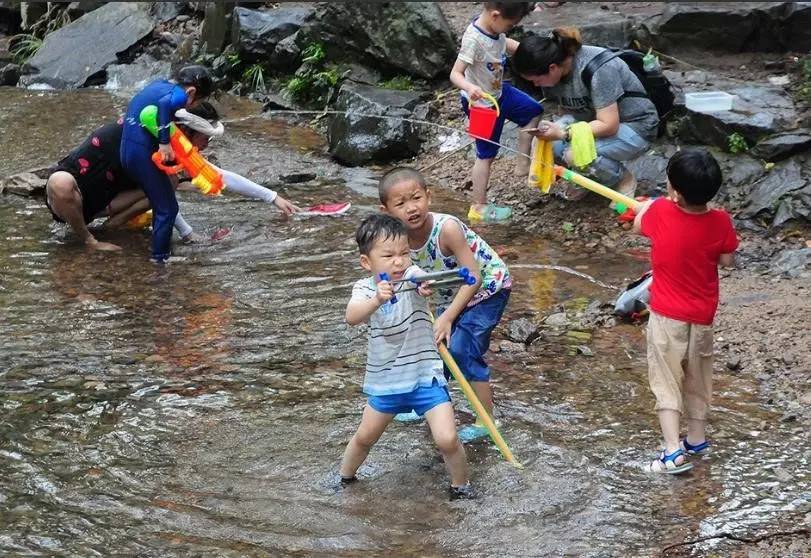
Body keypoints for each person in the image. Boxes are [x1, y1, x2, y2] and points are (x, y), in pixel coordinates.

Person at [340, 214, 472, 499]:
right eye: (388, 255)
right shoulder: (364, 289)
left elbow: (424, 281)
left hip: (426, 378)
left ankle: (461, 487)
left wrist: (426, 286)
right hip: (387, 383)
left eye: (404, 253)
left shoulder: (412, 276)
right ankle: (344, 479)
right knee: (365, 438)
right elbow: (351, 317)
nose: (398, 261)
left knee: (448, 439)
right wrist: (377, 299)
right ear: (367, 262)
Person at [45, 103, 300, 249]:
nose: (207, 145)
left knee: (169, 180)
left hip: (109, 202)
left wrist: (273, 197)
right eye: (205, 138)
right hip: (71, 199)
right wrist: (188, 233)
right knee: (60, 182)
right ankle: (89, 240)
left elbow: (217, 176)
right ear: (188, 130)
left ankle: (110, 229)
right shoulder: (150, 140)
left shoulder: (175, 148)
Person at [380, 167, 511, 443]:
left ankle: (486, 419)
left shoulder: (447, 229)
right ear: (387, 210)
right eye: (400, 204)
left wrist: (448, 317)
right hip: (448, 295)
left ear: (429, 196)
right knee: (432, 350)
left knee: (463, 349)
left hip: (487, 289)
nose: (411, 208)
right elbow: (406, 273)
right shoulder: (397, 240)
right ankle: (429, 404)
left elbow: (474, 277)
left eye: (416, 198)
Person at [632, 149, 738, 474]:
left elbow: (638, 226)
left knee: (665, 381)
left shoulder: (661, 211)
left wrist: (647, 206)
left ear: (674, 190)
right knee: (697, 377)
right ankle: (696, 439)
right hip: (702, 318)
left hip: (666, 316)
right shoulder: (721, 220)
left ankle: (672, 452)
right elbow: (727, 261)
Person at [513, 27, 658, 202]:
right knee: (547, 142)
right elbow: (568, 111)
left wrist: (564, 134)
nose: (536, 85)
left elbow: (609, 125)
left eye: (536, 80)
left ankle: (623, 179)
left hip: (635, 126)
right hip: (592, 123)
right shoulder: (553, 70)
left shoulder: (597, 70)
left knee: (575, 154)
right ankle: (589, 177)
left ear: (552, 68)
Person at [449, 1, 542, 223]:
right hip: (482, 105)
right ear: (495, 15)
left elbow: (505, 43)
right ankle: (478, 207)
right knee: (486, 155)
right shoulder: (473, 39)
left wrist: (532, 51)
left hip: (500, 93)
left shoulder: (495, 30)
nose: (509, 29)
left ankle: (522, 162)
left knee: (534, 110)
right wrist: (470, 88)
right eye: (509, 25)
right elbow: (455, 74)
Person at [120, 65, 213, 263]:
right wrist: (164, 142)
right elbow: (163, 105)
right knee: (167, 209)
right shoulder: (179, 95)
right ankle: (160, 258)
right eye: (197, 102)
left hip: (128, 151)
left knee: (164, 203)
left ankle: (160, 250)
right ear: (192, 92)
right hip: (140, 154)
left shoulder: (159, 85)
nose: (190, 108)